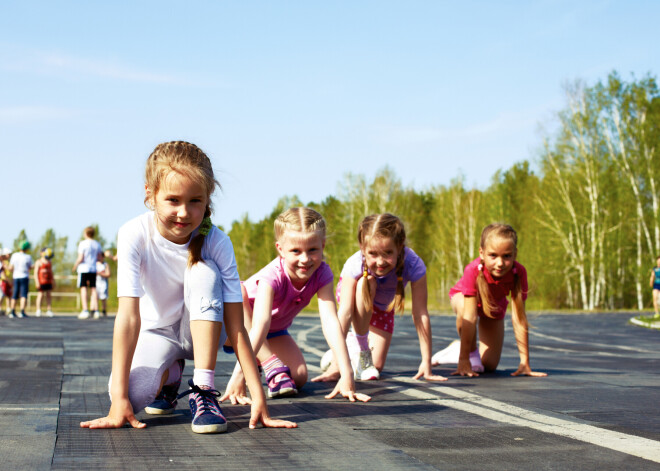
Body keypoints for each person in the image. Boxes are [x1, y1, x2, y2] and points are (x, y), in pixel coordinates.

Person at [80, 140, 296, 434]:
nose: (184, 212)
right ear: (150, 194)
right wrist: (118, 400)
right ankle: (170, 376)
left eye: (195, 200)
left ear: (208, 199)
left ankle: (203, 390)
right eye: (173, 200)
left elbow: (237, 325)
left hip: (206, 334)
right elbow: (128, 317)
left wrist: (258, 394)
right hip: (158, 333)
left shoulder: (217, 242)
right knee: (130, 397)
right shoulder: (133, 234)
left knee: (203, 272)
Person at [221, 207, 370, 404]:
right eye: (295, 251)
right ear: (280, 249)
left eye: (312, 250)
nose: (305, 259)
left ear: (323, 245)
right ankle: (266, 363)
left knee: (298, 377)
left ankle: (262, 362)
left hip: (273, 332)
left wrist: (347, 372)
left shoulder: (322, 274)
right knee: (238, 293)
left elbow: (331, 322)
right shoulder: (272, 275)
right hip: (234, 329)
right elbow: (260, 324)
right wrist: (240, 374)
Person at [319, 213, 446, 383]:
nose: (380, 262)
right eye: (373, 254)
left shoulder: (414, 264)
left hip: (382, 306)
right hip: (358, 297)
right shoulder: (354, 264)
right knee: (367, 281)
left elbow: (420, 313)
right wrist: (337, 364)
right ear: (362, 248)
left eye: (387, 253)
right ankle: (358, 350)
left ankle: (352, 347)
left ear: (400, 246)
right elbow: (345, 313)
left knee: (376, 366)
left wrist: (426, 362)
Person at [431, 223, 546, 378]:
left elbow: (519, 318)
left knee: (489, 365)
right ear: (482, 253)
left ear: (515, 254)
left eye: (506, 256)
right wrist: (464, 359)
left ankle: (458, 348)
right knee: (465, 310)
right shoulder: (472, 270)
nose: (500, 263)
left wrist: (525, 362)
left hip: (493, 307)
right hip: (465, 301)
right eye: (493, 255)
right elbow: (470, 317)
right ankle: (466, 352)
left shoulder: (519, 272)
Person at [72, 226, 103, 319]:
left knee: (84, 288)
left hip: (84, 269)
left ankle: (85, 310)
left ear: (85, 233)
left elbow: (81, 257)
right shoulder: (97, 244)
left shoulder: (83, 243)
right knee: (93, 289)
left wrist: (75, 265)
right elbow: (99, 257)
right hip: (93, 268)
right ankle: (96, 310)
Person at [9, 241, 33, 318]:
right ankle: (22, 311)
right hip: (24, 276)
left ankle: (12, 311)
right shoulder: (28, 257)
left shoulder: (14, 255)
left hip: (16, 276)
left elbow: (11, 267)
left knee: (15, 294)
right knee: (23, 295)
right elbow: (30, 267)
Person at [34, 247, 55, 317]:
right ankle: (38, 310)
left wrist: (53, 281)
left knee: (48, 295)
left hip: (48, 281)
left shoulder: (49, 262)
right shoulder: (38, 262)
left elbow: (51, 272)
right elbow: (35, 273)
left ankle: (49, 310)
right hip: (41, 281)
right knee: (40, 295)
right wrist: (37, 282)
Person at [95, 250, 111, 318]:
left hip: (103, 283)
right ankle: (96, 310)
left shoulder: (105, 264)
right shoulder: (94, 264)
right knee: (95, 297)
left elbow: (108, 274)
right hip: (96, 283)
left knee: (103, 298)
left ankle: (104, 310)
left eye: (100, 256)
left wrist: (100, 273)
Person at [0, 248, 13, 315]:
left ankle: (8, 308)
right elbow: (3, 274)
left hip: (6, 280)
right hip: (3, 281)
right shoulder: (2, 263)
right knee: (1, 294)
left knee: (6, 294)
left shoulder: (4, 263)